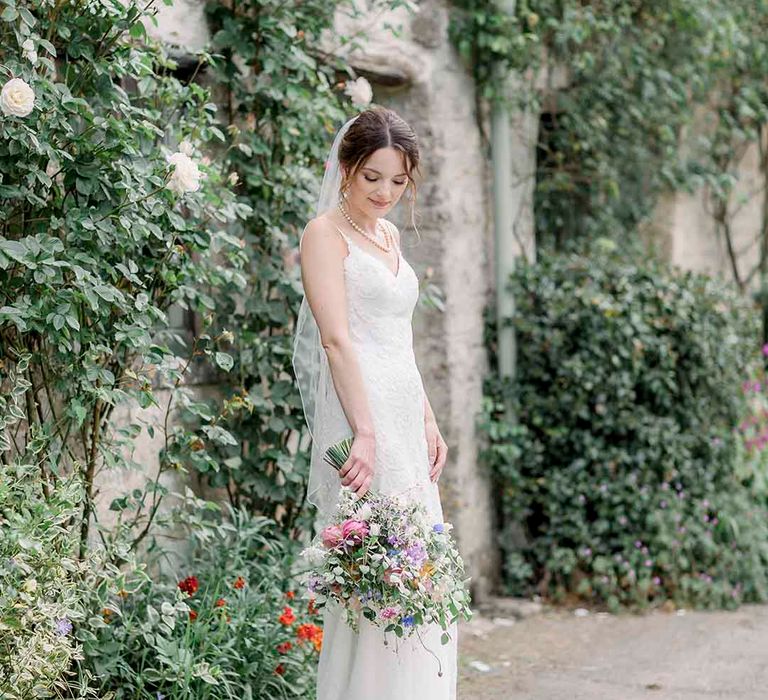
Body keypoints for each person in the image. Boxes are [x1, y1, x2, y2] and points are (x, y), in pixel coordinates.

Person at [292, 106, 458, 699]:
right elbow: (337, 340)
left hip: (404, 413)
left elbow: (401, 341)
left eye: (397, 180)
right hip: (361, 413)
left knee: (418, 562)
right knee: (374, 570)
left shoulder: (387, 234)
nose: (386, 192)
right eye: (372, 178)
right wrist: (365, 433)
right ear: (345, 167)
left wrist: (429, 420)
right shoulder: (323, 235)